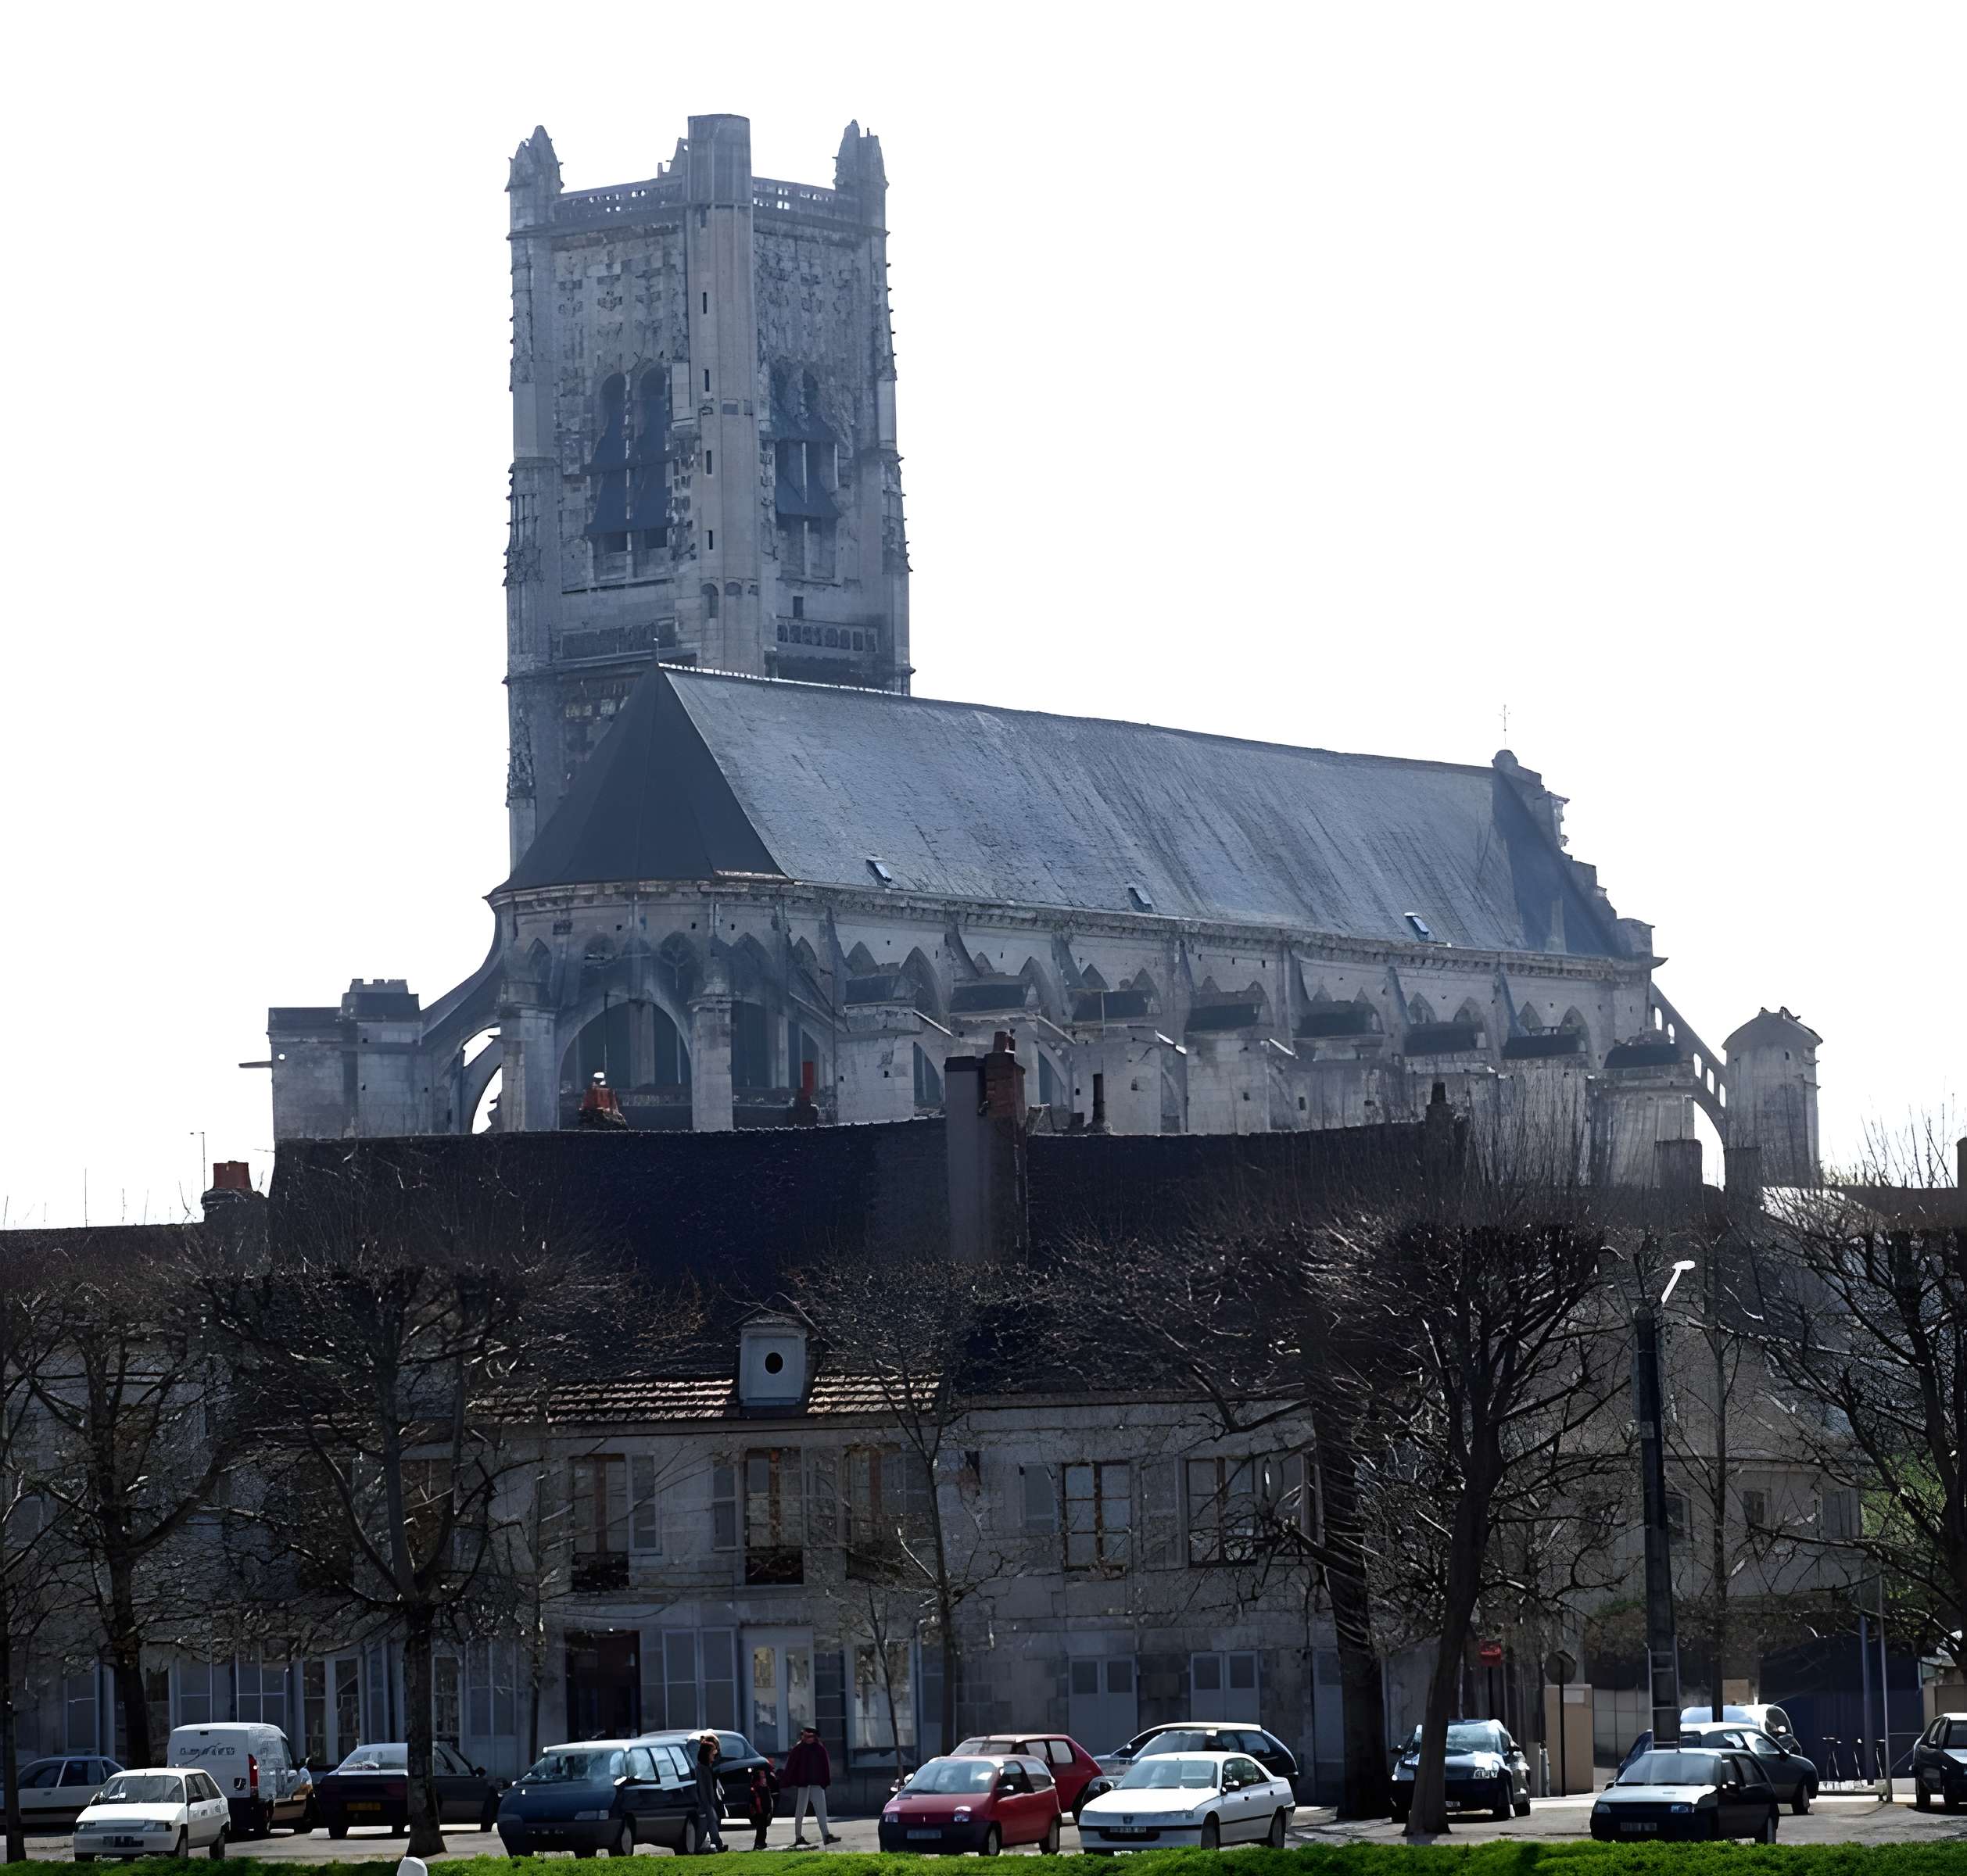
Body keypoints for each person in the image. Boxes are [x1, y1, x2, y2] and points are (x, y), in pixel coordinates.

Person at [784, 1726, 839, 1846]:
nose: (807, 1738)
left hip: (816, 1784)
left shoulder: (819, 1749)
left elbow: (825, 1766)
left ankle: (826, 1835)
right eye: (805, 1736)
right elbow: (791, 1766)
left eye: (810, 1736)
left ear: (814, 1737)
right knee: (800, 1812)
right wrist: (788, 1780)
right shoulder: (799, 1749)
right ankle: (798, 1837)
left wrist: (824, 1782)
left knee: (821, 1811)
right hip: (804, 1784)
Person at [694, 1733, 726, 1853]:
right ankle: (715, 1844)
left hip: (707, 1803)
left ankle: (710, 1845)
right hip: (705, 1803)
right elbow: (703, 1788)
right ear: (707, 1754)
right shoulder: (702, 1769)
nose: (715, 1753)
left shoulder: (706, 1768)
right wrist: (707, 1803)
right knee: (708, 1824)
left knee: (707, 1826)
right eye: (713, 1751)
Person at [746, 1758, 780, 1852]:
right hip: (759, 1809)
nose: (764, 1778)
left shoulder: (765, 1786)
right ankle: (759, 1843)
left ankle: (761, 1843)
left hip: (764, 1809)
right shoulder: (757, 1787)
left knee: (763, 1827)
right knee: (761, 1827)